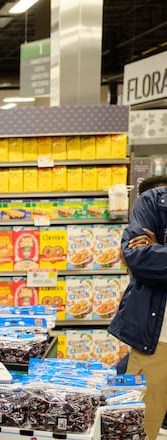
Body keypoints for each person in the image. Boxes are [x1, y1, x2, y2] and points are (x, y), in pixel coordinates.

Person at [108, 179, 167, 440]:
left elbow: (150, 259)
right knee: (142, 426)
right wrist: (149, 254)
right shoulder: (153, 201)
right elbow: (137, 259)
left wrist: (159, 249)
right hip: (158, 339)